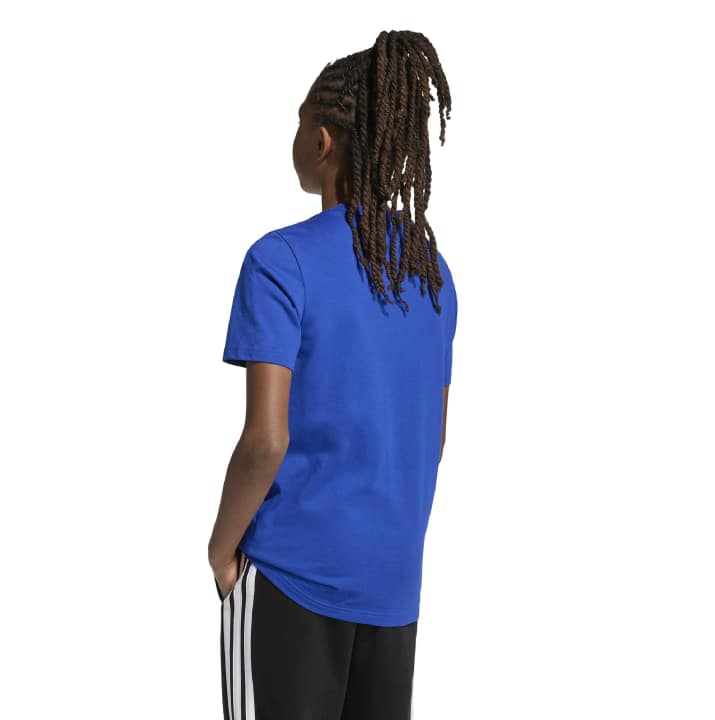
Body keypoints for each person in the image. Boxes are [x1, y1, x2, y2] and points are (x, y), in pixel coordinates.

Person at [207, 29, 457, 720]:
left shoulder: (280, 261)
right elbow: (432, 438)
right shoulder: (430, 275)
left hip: (293, 575)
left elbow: (266, 439)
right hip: (392, 586)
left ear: (322, 140)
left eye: (300, 121)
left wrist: (222, 549)